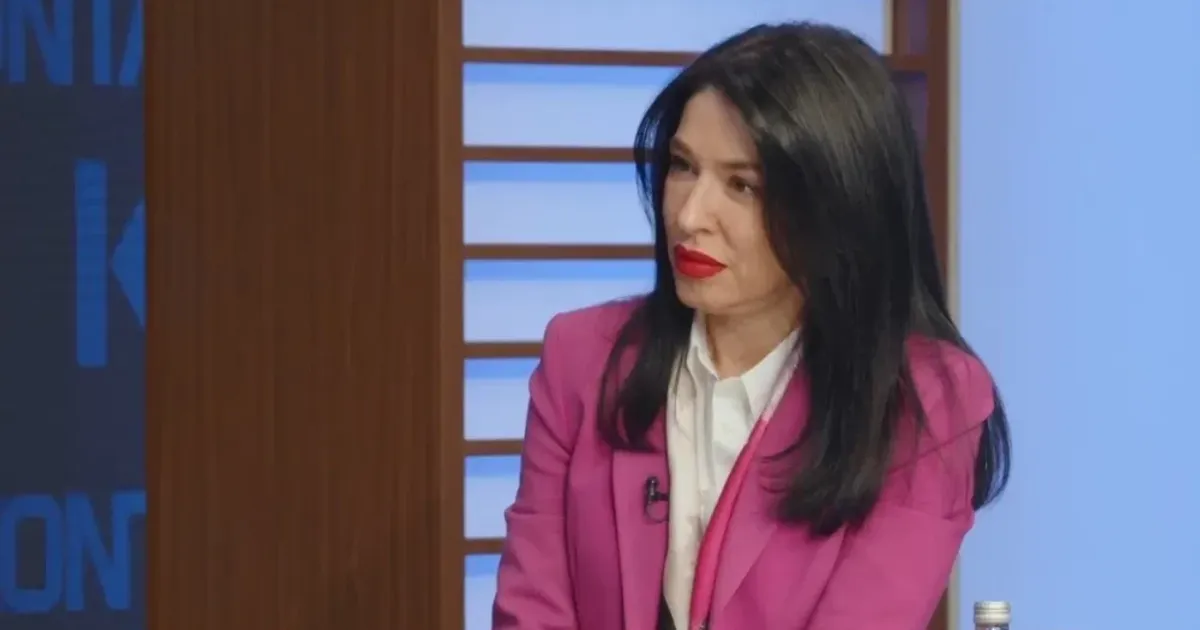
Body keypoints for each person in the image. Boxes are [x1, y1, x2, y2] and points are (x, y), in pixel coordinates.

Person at [491, 21, 1011, 630]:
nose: (690, 215)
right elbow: (532, 610)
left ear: (838, 203)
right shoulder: (583, 358)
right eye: (683, 166)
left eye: (742, 185)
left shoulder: (924, 403)